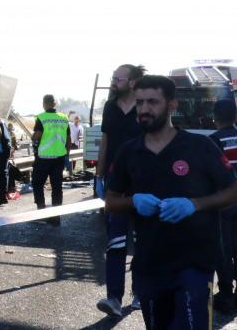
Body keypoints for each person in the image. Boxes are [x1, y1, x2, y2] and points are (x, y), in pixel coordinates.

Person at [105, 75, 237, 329]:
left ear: (172, 106)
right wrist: (134, 201)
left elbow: (233, 191)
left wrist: (195, 204)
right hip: (149, 264)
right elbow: (111, 202)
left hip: (194, 263)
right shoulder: (129, 152)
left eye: (152, 102)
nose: (144, 109)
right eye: (140, 102)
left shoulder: (200, 146)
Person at [96, 64, 146, 317]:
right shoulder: (109, 107)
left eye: (118, 78)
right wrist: (98, 175)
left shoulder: (145, 106)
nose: (114, 81)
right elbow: (105, 141)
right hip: (115, 184)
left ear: (134, 81)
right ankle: (113, 297)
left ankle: (140, 292)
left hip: (143, 183)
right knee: (115, 241)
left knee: (141, 241)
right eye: (113, 77)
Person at [210, 99, 237, 312]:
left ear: (215, 117)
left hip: (224, 203)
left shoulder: (212, 141)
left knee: (223, 249)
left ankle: (226, 293)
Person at [32, 94, 71, 225]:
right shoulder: (64, 118)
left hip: (43, 158)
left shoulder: (42, 117)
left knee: (38, 184)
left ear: (44, 103)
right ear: (55, 104)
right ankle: (55, 217)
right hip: (59, 158)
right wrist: (67, 155)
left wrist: (34, 140)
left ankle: (42, 212)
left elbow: (37, 135)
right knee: (57, 187)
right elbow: (69, 139)